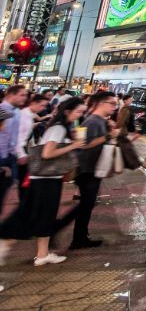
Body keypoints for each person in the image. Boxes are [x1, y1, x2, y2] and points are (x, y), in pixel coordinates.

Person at [0, 98, 85, 266]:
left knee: (45, 217)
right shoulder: (58, 128)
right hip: (44, 180)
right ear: (67, 111)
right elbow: (47, 154)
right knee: (32, 216)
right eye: (78, 111)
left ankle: (42, 254)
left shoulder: (62, 128)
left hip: (47, 179)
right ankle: (4, 242)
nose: (80, 115)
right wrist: (73, 146)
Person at [64, 90, 120, 249]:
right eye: (112, 104)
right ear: (102, 103)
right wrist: (109, 136)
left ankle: (79, 236)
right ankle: (74, 236)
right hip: (87, 170)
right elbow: (85, 144)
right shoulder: (92, 121)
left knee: (87, 204)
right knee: (86, 205)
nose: (114, 107)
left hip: (92, 169)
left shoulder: (97, 120)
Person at [14, 92, 47, 200]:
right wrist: (21, 154)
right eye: (42, 105)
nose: (43, 108)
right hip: (18, 150)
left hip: (22, 149)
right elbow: (17, 136)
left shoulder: (29, 114)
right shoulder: (23, 115)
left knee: (23, 179)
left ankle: (24, 202)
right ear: (33, 103)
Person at [0, 85, 25, 205]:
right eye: (22, 95)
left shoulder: (17, 112)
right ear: (11, 95)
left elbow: (15, 135)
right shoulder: (2, 110)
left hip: (10, 156)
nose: (25, 98)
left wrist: (17, 153)